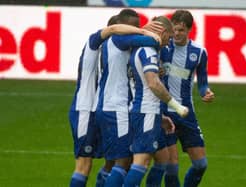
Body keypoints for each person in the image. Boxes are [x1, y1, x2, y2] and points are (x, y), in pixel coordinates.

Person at [68, 14, 163, 187]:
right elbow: (113, 29)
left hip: (101, 107)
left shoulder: (118, 49)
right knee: (86, 165)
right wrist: (145, 32)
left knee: (112, 161)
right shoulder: (98, 41)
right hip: (85, 109)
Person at [123, 16, 189, 187]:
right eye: (168, 37)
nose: (168, 43)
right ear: (162, 32)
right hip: (146, 112)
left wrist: (160, 116)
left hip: (149, 112)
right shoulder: (148, 51)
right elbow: (153, 83)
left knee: (162, 158)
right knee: (141, 162)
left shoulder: (141, 49)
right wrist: (176, 106)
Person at [153, 10, 214, 187]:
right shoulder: (161, 46)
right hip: (165, 113)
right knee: (171, 168)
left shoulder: (199, 52)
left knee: (201, 165)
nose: (177, 34)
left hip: (187, 113)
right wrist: (157, 70)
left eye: (181, 30)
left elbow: (202, 82)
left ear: (189, 30)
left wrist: (206, 92)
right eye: (174, 29)